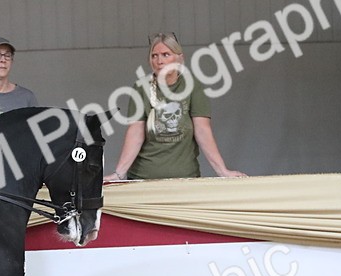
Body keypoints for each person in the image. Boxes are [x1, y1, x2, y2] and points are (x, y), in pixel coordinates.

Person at [105, 32, 245, 181]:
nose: (159, 61)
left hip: (185, 179)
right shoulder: (141, 88)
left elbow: (203, 130)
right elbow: (135, 132)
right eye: (154, 55)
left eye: (166, 55)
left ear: (179, 58)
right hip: (143, 179)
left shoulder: (193, 86)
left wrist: (222, 171)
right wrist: (118, 174)